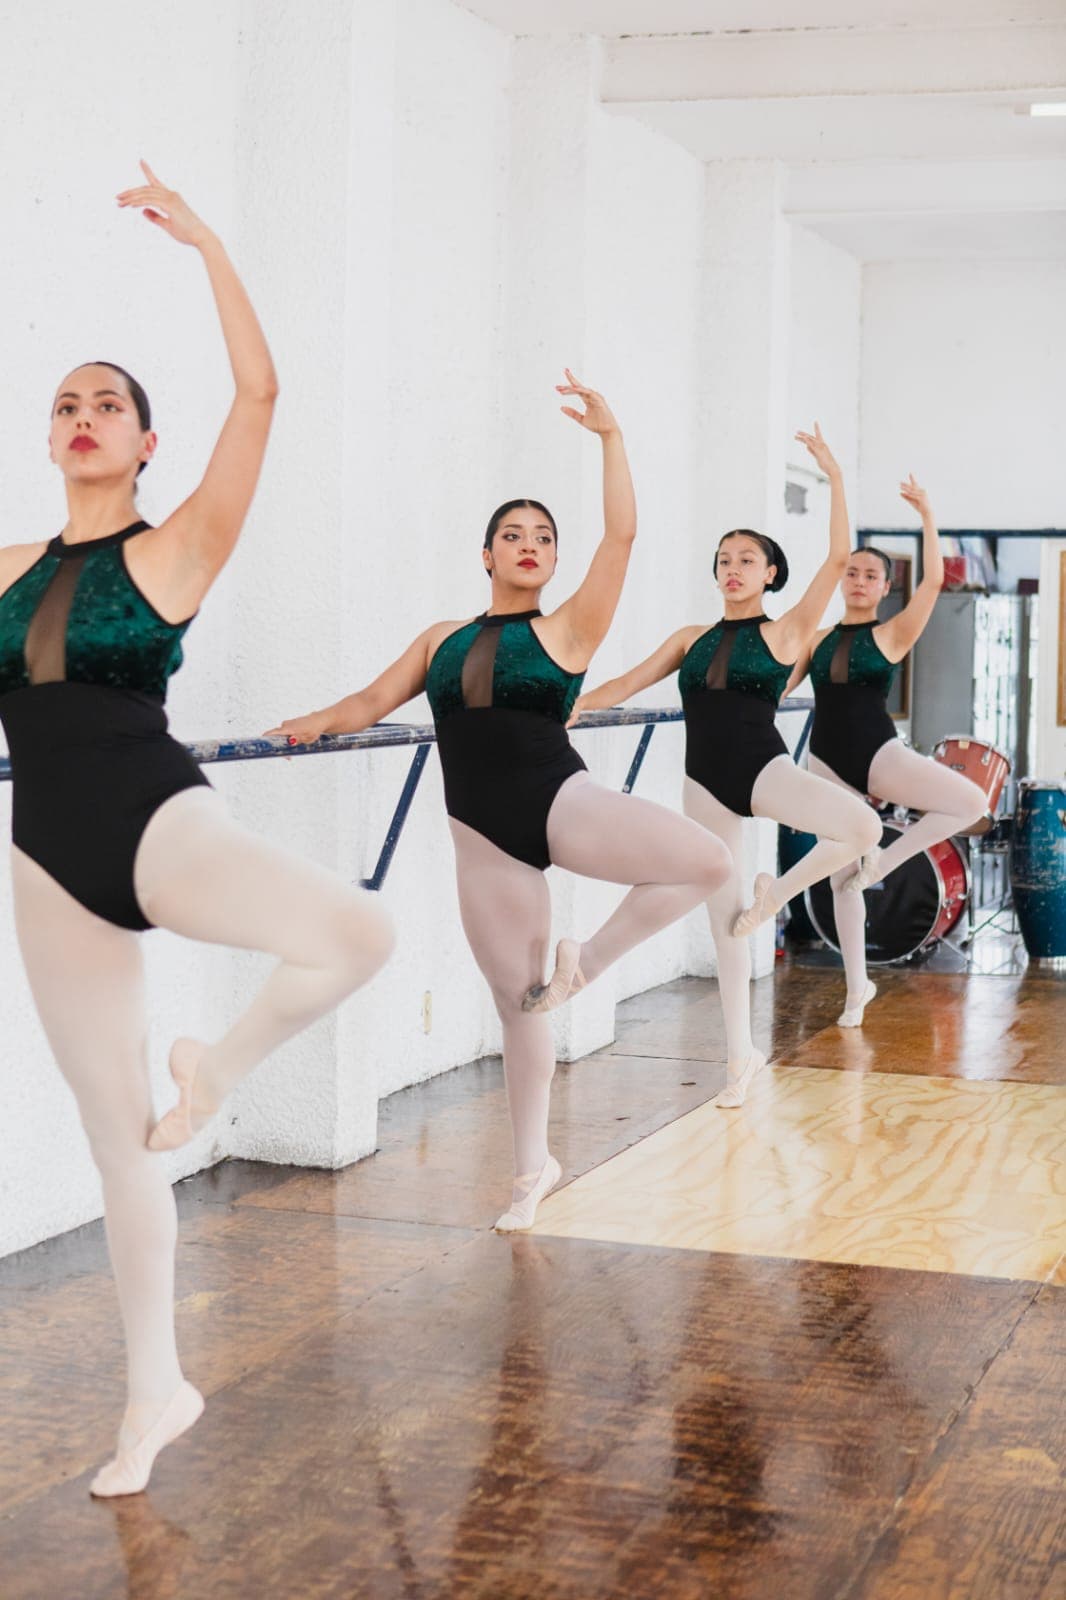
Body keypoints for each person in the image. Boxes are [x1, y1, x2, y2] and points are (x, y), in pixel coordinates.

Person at [0, 165, 393, 1496]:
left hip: (157, 816)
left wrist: (210, 243)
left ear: (145, 442)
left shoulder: (174, 550)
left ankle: (217, 1070)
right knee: (120, 1142)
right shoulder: (4, 573)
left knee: (359, 929)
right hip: (46, 860)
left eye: (108, 403)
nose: (84, 416)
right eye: (66, 404)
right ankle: (151, 1393)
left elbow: (261, 398)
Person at [269, 373, 731, 1230]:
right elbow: (367, 705)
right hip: (481, 837)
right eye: (512, 535)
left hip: (560, 798)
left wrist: (611, 438)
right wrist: (304, 727)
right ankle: (531, 1173)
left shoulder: (568, 630)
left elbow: (622, 537)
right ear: (486, 556)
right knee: (520, 1004)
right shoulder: (440, 639)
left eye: (543, 538)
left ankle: (588, 961)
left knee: (708, 859)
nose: (528, 545)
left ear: (554, 561)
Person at [572, 425, 881, 1104]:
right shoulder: (691, 638)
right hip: (703, 785)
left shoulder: (786, 631)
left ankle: (782, 891)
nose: (732, 567)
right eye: (723, 559)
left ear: (770, 573)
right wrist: (566, 708)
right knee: (724, 924)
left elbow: (836, 556)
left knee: (863, 829)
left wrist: (831, 471)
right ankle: (739, 1061)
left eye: (746, 558)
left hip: (763, 770)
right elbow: (622, 685)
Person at [788, 477, 985, 1025]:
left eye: (870, 575)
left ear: (883, 586)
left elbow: (936, 580)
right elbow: (780, 687)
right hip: (826, 759)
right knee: (838, 877)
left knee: (968, 803)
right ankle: (857, 991)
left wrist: (927, 513)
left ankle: (885, 860)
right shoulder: (818, 638)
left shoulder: (892, 635)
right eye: (850, 572)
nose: (858, 580)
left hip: (878, 751)